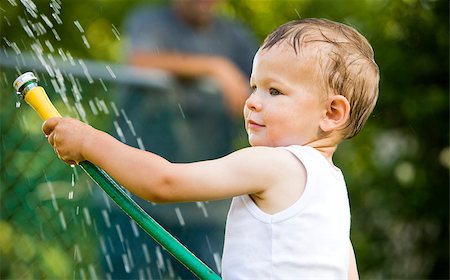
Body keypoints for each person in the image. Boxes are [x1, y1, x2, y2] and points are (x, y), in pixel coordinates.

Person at [43, 18, 379, 279]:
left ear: (332, 113)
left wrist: (90, 141)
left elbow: (163, 183)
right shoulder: (332, 188)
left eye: (274, 92)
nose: (252, 103)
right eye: (254, 87)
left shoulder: (274, 165)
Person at [104, 1, 258, 278]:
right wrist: (216, 68)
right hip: (132, 201)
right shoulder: (150, 22)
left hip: (204, 210)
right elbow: (142, 61)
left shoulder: (236, 36)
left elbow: (267, 86)